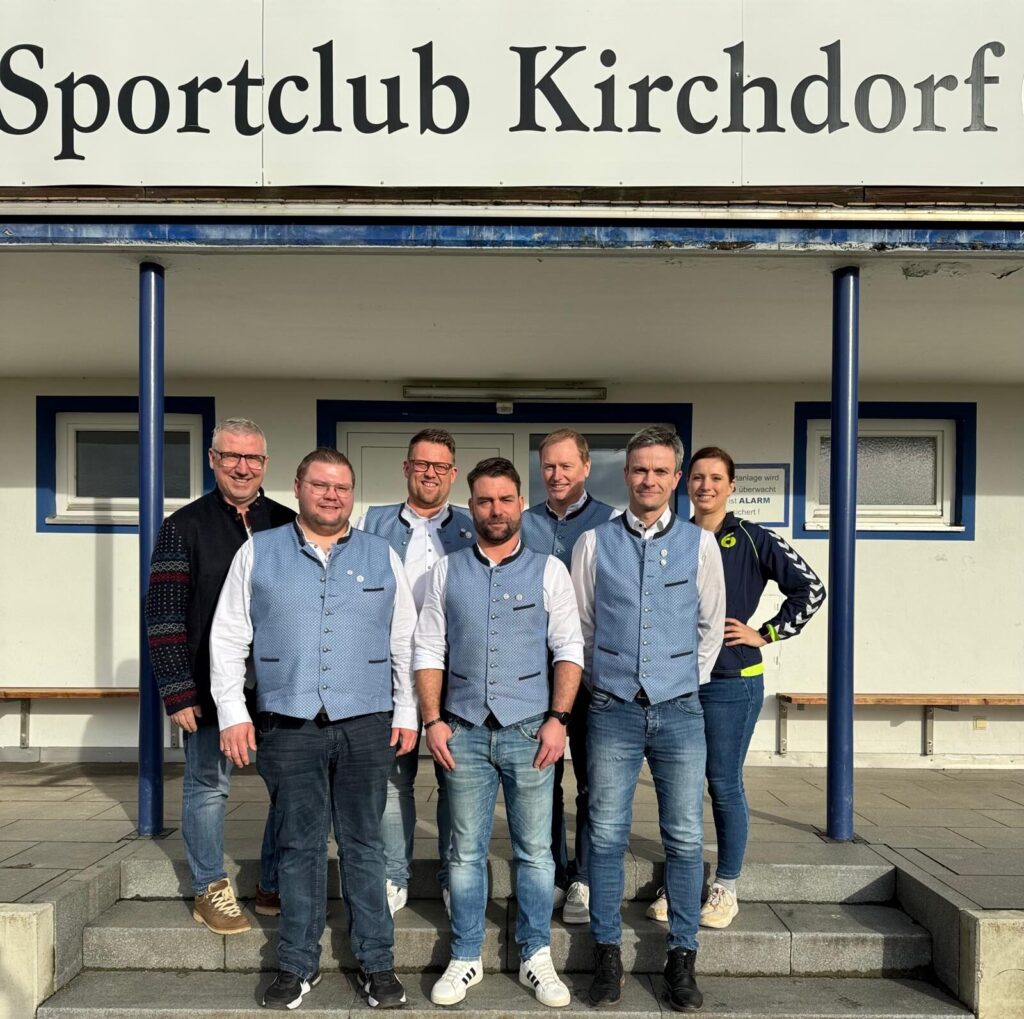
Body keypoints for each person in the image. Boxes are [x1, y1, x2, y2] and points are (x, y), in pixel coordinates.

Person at [210, 448, 417, 1011]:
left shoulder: (381, 554)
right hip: (288, 723)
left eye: (342, 487)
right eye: (321, 485)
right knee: (298, 847)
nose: (332, 495)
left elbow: (404, 638)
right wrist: (233, 712)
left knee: (365, 845)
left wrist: (407, 711)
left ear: (353, 494)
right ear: (298, 487)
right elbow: (229, 637)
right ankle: (297, 965)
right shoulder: (258, 551)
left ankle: (377, 962)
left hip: (366, 722)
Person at [414, 457, 584, 1009]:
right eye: (484, 500)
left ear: (520, 504)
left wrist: (558, 720)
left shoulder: (549, 570)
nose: (495, 509)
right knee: (464, 853)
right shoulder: (446, 571)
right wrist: (433, 720)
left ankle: (536, 953)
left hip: (531, 730)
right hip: (462, 729)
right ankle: (466, 954)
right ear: (471, 506)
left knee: (536, 853)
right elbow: (428, 648)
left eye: (505, 499)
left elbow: (568, 648)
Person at [571, 425, 725, 1012]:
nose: (649, 479)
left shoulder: (700, 544)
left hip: (680, 709)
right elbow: (582, 627)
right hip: (611, 707)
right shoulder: (594, 543)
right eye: (640, 469)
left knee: (684, 837)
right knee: (606, 834)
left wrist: (681, 681)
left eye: (661, 471)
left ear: (676, 478)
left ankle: (682, 955)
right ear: (626, 474)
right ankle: (607, 952)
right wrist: (607, 681)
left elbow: (710, 626)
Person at [646, 446, 824, 929]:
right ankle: (682, 881)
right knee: (679, 784)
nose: (705, 486)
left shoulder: (752, 537)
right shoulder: (671, 537)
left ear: (731, 486)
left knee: (722, 782)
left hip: (731, 682)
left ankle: (726, 886)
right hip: (678, 681)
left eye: (715, 478)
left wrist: (765, 633)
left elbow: (811, 589)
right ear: (686, 483)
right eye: (698, 477)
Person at [145, 417, 294, 936]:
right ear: (213, 460)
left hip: (279, 686)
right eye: (231, 456)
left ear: (265, 464)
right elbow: (163, 614)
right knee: (208, 785)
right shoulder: (183, 526)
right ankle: (209, 887)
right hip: (206, 685)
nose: (242, 467)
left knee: (289, 785)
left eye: (252, 458)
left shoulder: (287, 523)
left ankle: (273, 881)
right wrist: (176, 690)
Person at [355, 428, 475, 917]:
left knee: (457, 780)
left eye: (440, 466)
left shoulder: (472, 524)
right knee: (393, 779)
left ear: (453, 473)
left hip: (457, 671)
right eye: (421, 464)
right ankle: (394, 875)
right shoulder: (372, 521)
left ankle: (452, 876)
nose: (430, 473)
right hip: (391, 670)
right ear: (406, 468)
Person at [520, 429, 615, 925]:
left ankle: (586, 877)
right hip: (540, 679)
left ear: (586, 467)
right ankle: (555, 873)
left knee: (594, 785)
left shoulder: (611, 524)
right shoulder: (523, 522)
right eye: (548, 467)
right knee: (546, 780)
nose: (556, 475)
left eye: (566, 466)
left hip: (594, 677)